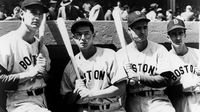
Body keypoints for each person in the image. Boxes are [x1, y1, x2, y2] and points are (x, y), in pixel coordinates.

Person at [60, 19, 127, 112]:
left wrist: (91, 94)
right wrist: (76, 92)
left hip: (111, 108)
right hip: (86, 109)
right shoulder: (72, 64)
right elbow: (66, 100)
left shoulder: (109, 55)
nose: (83, 38)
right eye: (78, 34)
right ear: (74, 38)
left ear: (93, 35)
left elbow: (121, 88)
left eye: (87, 34)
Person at [116, 11, 175, 112]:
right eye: (138, 28)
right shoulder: (121, 54)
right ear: (129, 30)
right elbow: (118, 86)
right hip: (132, 100)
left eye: (145, 27)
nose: (142, 31)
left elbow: (166, 80)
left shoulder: (159, 49)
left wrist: (138, 77)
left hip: (157, 99)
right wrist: (126, 78)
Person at [0, 0, 51, 112]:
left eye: (40, 14)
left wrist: (42, 72)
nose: (37, 17)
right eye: (33, 12)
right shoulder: (5, 43)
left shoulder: (42, 48)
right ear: (22, 14)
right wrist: (30, 74)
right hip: (17, 102)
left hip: (41, 100)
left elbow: (45, 78)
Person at [165, 18, 200, 112]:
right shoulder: (165, 59)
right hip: (181, 101)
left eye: (180, 33)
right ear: (168, 37)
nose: (178, 38)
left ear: (185, 34)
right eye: (174, 34)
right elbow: (166, 90)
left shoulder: (197, 54)